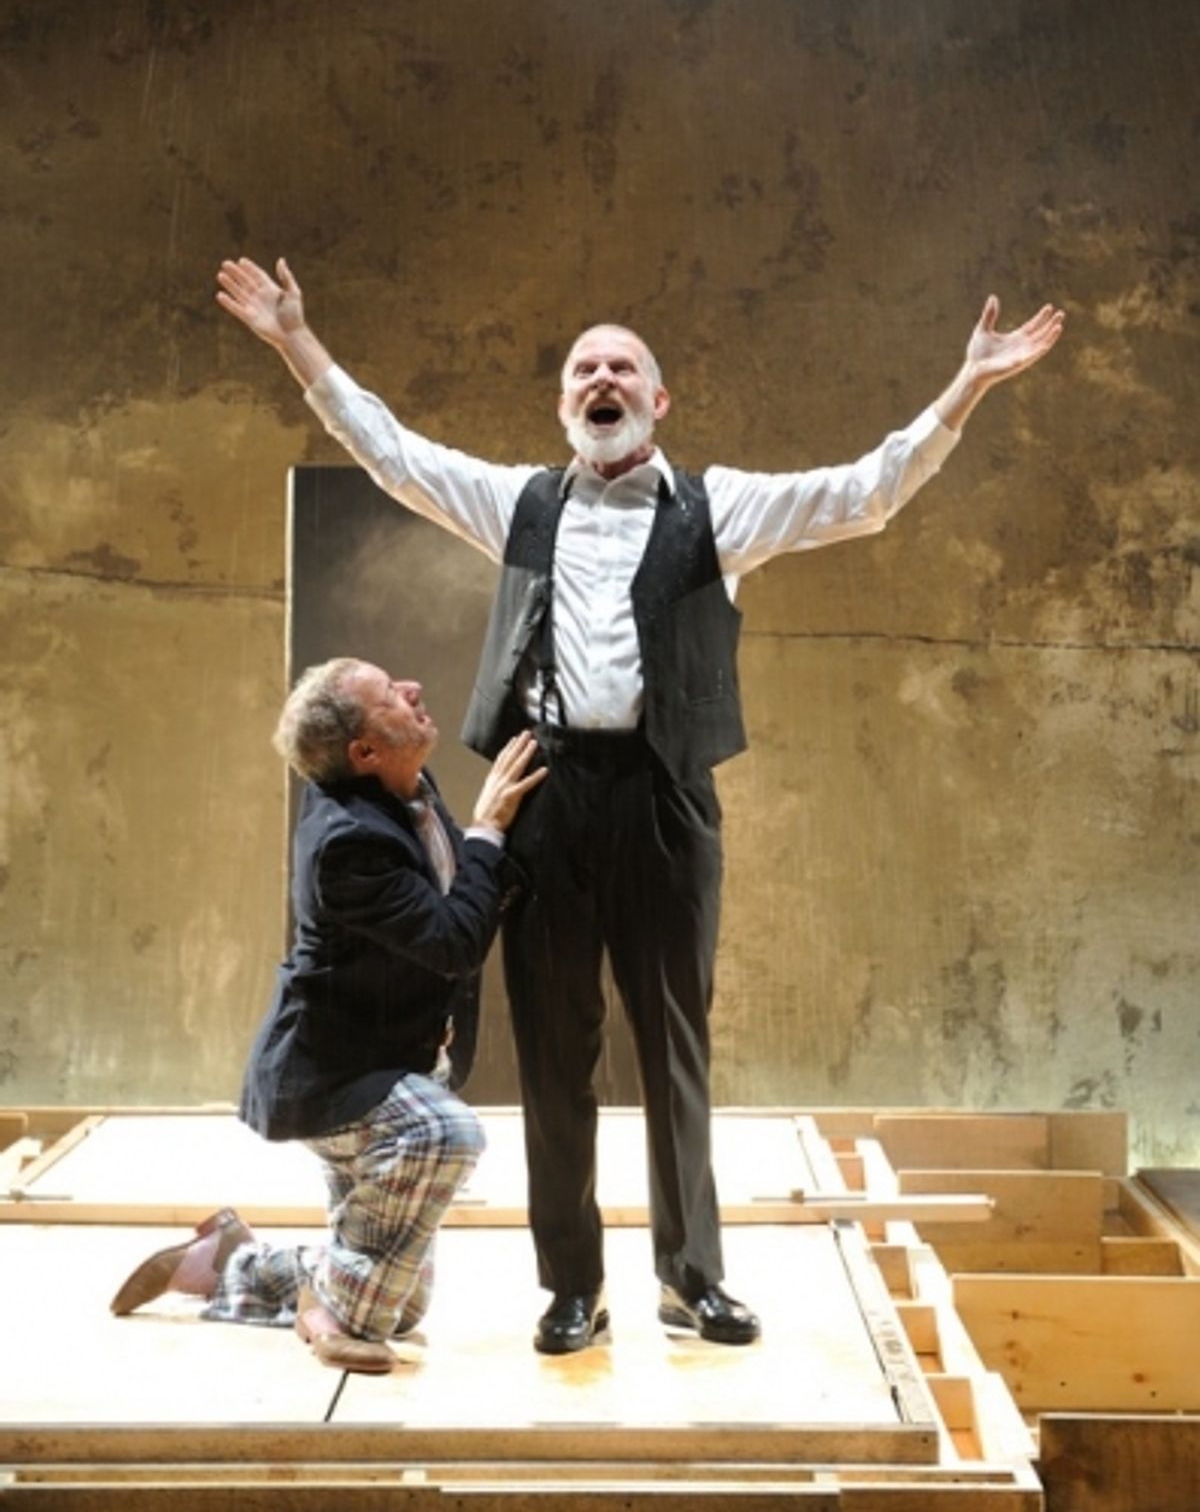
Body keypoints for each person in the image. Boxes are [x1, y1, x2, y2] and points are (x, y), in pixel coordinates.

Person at [215, 255, 1063, 1354]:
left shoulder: (724, 509)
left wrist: (969, 386)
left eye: (624, 366)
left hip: (666, 801)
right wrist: (296, 342)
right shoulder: (519, 503)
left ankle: (690, 1277)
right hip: (550, 801)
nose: (601, 378)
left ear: (658, 401)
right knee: (555, 1052)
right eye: (583, 369)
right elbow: (391, 454)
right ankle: (572, 1286)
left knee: (675, 1047)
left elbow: (869, 490)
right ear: (566, 404)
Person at [110, 657, 544, 1373]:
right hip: (332, 1083)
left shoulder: (403, 790)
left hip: (378, 1064)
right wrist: (489, 833)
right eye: (390, 698)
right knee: (447, 1134)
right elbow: (450, 944)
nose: (414, 689)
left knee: (400, 1308)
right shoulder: (349, 841)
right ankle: (327, 1313)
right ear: (364, 753)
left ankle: (231, 1262)